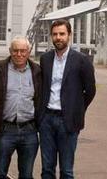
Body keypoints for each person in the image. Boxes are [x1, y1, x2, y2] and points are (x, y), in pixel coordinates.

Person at [38, 19, 96, 179]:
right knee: (47, 169)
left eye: (62, 34)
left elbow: (90, 90)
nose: (58, 37)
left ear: (69, 35)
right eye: (55, 34)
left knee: (66, 171)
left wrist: (76, 110)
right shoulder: (45, 59)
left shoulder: (82, 60)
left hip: (68, 121)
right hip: (47, 120)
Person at [0, 36, 41, 179]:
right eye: (15, 51)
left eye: (23, 51)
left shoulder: (37, 71)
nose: (19, 54)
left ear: (29, 52)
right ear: (10, 51)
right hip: (4, 130)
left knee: (27, 175)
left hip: (29, 130)